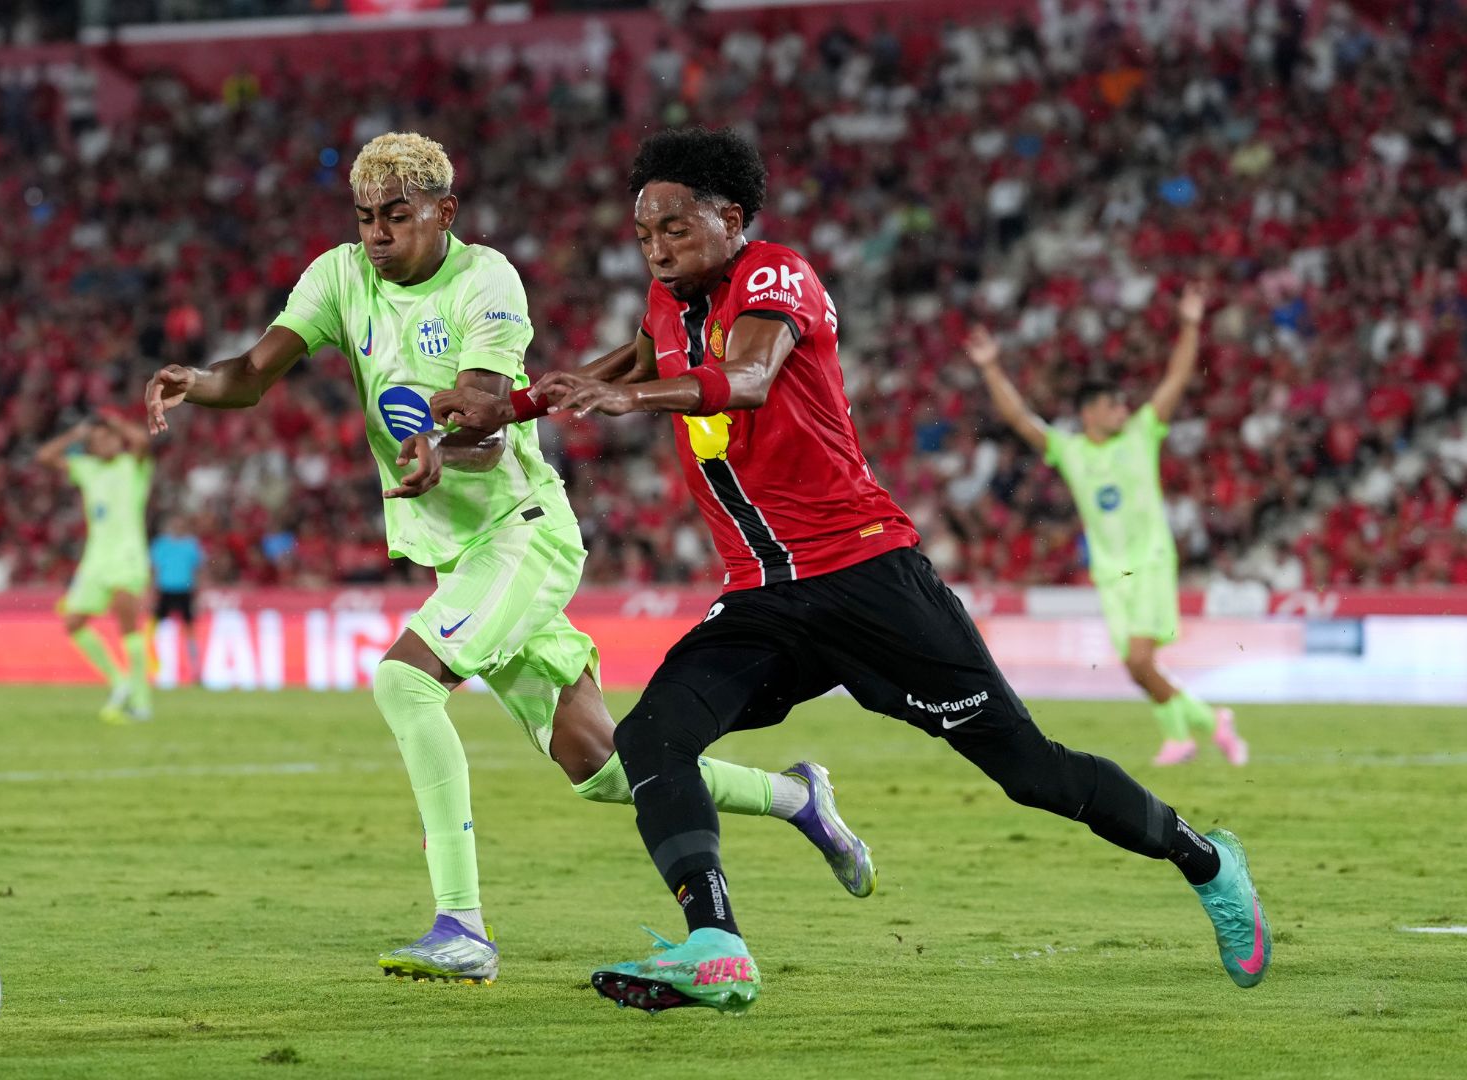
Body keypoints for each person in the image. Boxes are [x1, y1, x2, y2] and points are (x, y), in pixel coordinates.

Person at [431, 127, 1269, 1014]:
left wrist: (625, 399)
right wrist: (504, 409)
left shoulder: (775, 273)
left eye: (674, 229)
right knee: (651, 738)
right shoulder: (668, 302)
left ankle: (1207, 861)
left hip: (869, 576)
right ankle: (716, 943)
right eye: (644, 236)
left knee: (1032, 772)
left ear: (730, 216)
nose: (658, 249)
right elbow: (629, 362)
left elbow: (746, 377)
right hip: (764, 600)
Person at [144, 132, 873, 987]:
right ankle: (799, 799)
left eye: (398, 217)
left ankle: (462, 928)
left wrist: (435, 452)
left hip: (523, 530)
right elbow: (254, 372)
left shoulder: (486, 280)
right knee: (601, 766)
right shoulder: (340, 275)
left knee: (405, 681)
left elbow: (490, 429)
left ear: (444, 214)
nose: (377, 234)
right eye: (366, 218)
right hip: (462, 554)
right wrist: (199, 379)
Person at [965, 301, 1250, 766]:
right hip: (1110, 570)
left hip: (1151, 560)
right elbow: (1021, 419)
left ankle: (1208, 722)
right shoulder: (1071, 450)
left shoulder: (1141, 433)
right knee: (1139, 669)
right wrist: (992, 367)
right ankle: (1187, 731)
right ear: (1089, 414)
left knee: (1140, 662)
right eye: (1113, 403)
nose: (1124, 408)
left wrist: (1190, 323)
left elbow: (1175, 380)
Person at [35, 412, 155, 724]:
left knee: (128, 624)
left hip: (127, 556)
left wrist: (114, 422)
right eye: (97, 440)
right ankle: (119, 681)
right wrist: (75, 434)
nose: (103, 443)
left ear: (118, 439)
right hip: (95, 558)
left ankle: (141, 702)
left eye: (109, 437)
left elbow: (141, 439)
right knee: (73, 622)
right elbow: (44, 456)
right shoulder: (86, 469)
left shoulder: (133, 465)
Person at [149, 514, 204, 681]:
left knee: (189, 630)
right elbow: (154, 569)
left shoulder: (191, 545)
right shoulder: (161, 545)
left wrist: (198, 593)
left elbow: (198, 570)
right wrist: (152, 592)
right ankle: (153, 668)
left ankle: (195, 669)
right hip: (165, 590)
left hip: (185, 591)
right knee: (154, 631)